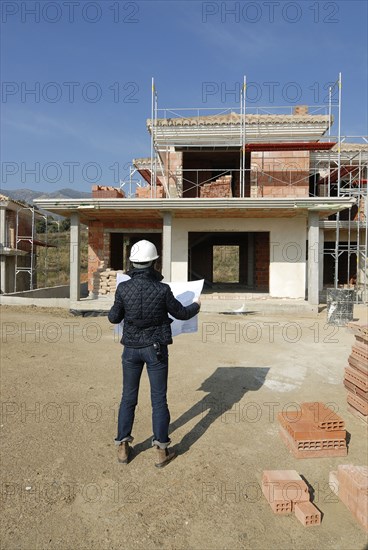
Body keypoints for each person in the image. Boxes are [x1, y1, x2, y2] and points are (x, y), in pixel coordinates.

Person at [108, 239, 201, 468]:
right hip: (156, 350)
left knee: (128, 397)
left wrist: (119, 306)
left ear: (132, 263)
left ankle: (122, 446)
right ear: (153, 262)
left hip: (131, 349)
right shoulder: (162, 289)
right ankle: (161, 449)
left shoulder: (123, 288)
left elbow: (113, 318)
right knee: (158, 399)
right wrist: (197, 304)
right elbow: (180, 313)